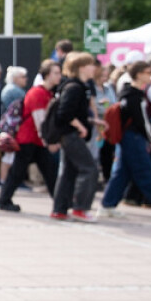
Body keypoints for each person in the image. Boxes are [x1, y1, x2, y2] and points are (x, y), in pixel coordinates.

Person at [0, 60, 60, 212]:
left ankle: (60, 203)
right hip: (29, 139)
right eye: (56, 73)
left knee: (48, 172)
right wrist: (48, 141)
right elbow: (40, 121)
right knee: (20, 172)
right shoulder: (38, 93)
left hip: (34, 140)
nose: (59, 76)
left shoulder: (46, 93)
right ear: (47, 75)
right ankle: (3, 200)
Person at [98, 61, 151, 216]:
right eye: (147, 72)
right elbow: (142, 121)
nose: (150, 75)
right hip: (134, 138)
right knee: (145, 171)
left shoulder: (127, 93)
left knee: (122, 172)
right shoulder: (136, 96)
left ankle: (107, 205)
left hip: (126, 137)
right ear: (139, 74)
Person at [50, 52, 101, 222]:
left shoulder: (77, 86)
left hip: (69, 134)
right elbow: (64, 113)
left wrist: (91, 121)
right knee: (89, 169)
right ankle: (80, 208)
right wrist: (80, 126)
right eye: (90, 64)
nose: (94, 68)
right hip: (71, 134)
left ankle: (60, 209)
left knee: (68, 172)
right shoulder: (75, 87)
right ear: (81, 67)